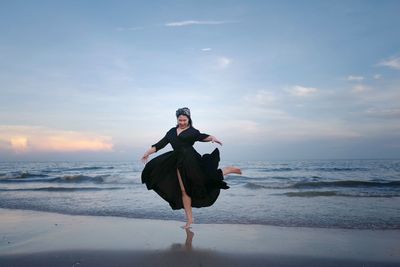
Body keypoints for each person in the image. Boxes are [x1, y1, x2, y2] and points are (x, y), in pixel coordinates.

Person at [141, 107, 242, 229]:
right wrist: (147, 153)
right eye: (180, 120)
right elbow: (159, 145)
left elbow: (201, 136)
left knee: (205, 180)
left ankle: (228, 169)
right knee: (184, 190)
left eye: (185, 120)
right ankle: (189, 220)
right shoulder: (171, 132)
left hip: (191, 160)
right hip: (177, 161)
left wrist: (212, 137)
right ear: (177, 119)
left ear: (189, 119)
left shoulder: (192, 131)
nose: (182, 122)